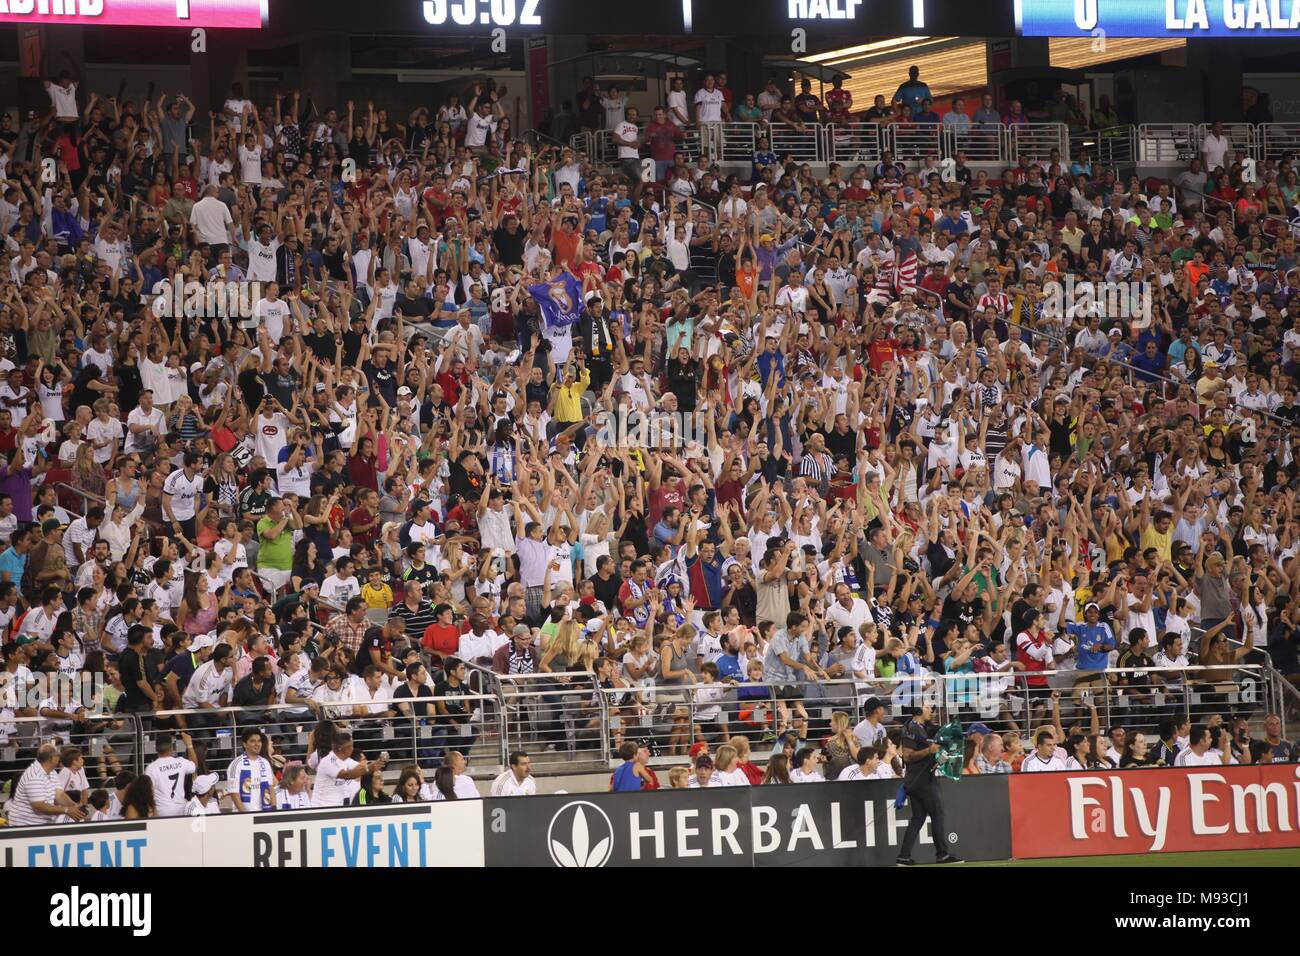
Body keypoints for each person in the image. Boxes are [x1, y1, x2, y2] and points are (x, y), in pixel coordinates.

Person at [896, 703, 960, 865]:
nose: (931, 710)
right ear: (917, 711)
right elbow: (908, 756)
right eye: (926, 707)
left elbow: (936, 752)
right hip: (922, 780)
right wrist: (929, 751)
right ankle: (942, 855)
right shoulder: (912, 728)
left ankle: (903, 857)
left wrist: (943, 756)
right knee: (937, 814)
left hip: (921, 778)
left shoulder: (922, 727)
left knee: (918, 818)